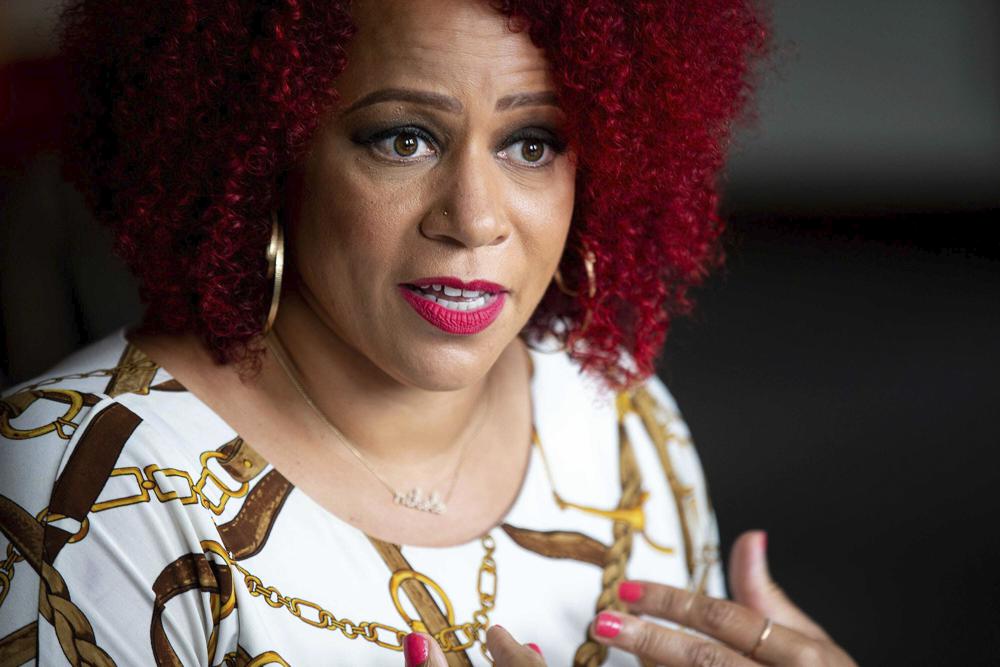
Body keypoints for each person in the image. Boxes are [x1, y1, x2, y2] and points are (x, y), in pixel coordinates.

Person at [0, 0, 858, 665]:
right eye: (404, 139)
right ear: (265, 147)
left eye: (531, 143)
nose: (475, 218)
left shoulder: (618, 414)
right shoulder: (82, 487)